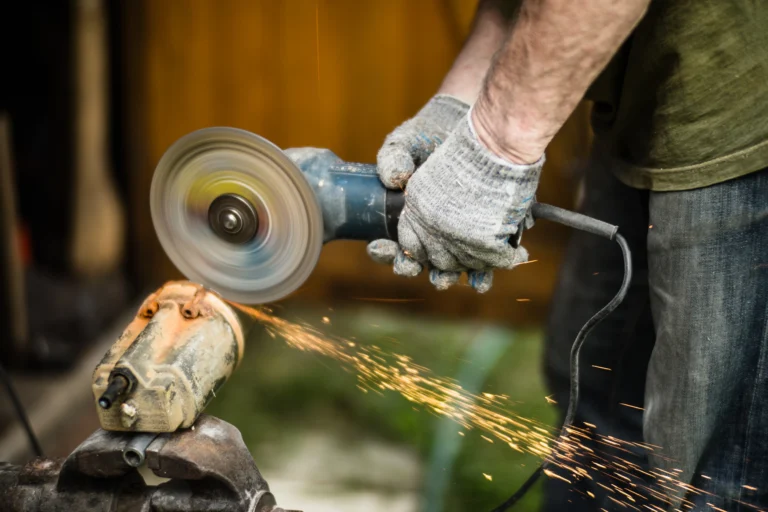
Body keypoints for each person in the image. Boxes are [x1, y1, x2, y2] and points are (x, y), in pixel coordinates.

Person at [365, 0, 768, 510]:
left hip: (744, 116)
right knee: (596, 402)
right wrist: (463, 102)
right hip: (646, 81)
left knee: (719, 475)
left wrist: (495, 147)